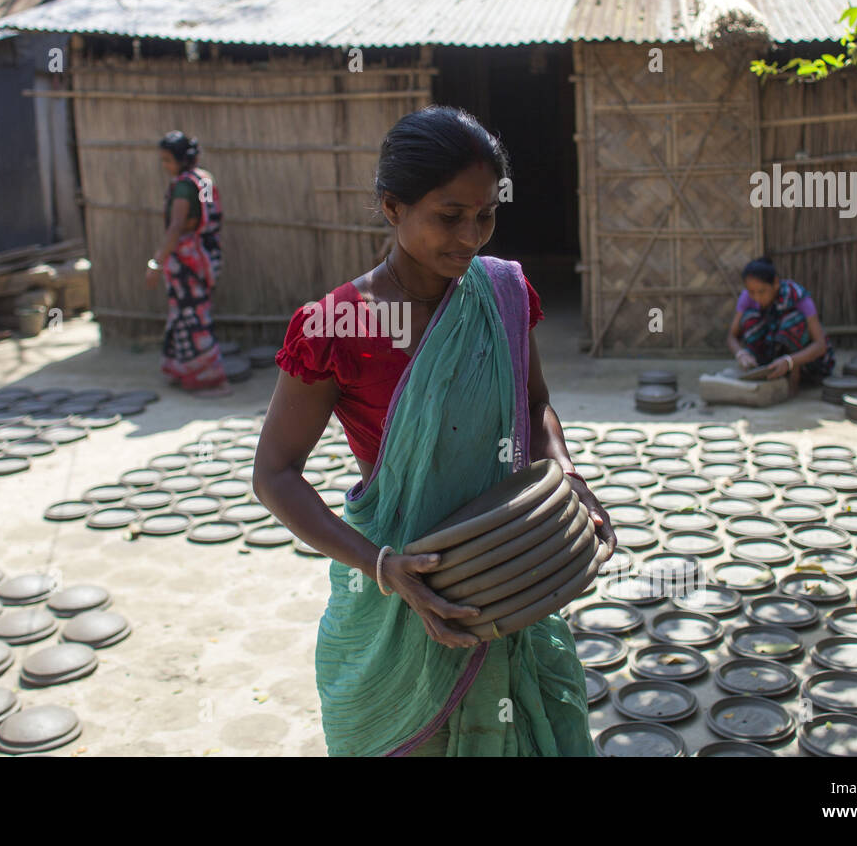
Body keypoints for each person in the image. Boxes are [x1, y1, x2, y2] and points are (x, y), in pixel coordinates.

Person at [252, 106, 615, 757]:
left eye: (486, 215)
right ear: (393, 207)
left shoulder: (503, 292)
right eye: (450, 216)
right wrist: (384, 567)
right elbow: (274, 472)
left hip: (504, 575)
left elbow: (533, 407)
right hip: (397, 590)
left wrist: (568, 479)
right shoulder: (335, 325)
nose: (471, 235)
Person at [145, 130, 230, 397]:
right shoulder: (203, 179)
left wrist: (156, 263)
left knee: (192, 318)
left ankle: (209, 379)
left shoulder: (183, 186)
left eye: (167, 160)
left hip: (187, 259)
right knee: (187, 313)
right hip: (206, 256)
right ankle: (180, 370)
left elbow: (177, 226)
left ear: (181, 160)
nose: (164, 166)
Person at [727, 255, 835, 394]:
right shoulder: (747, 297)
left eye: (762, 291)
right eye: (752, 292)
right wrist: (741, 354)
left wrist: (789, 361)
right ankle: (764, 369)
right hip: (772, 359)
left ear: (776, 283)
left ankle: (793, 381)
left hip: (807, 363)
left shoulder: (798, 296)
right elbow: (731, 336)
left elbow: (820, 345)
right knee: (750, 318)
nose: (757, 297)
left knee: (793, 320)